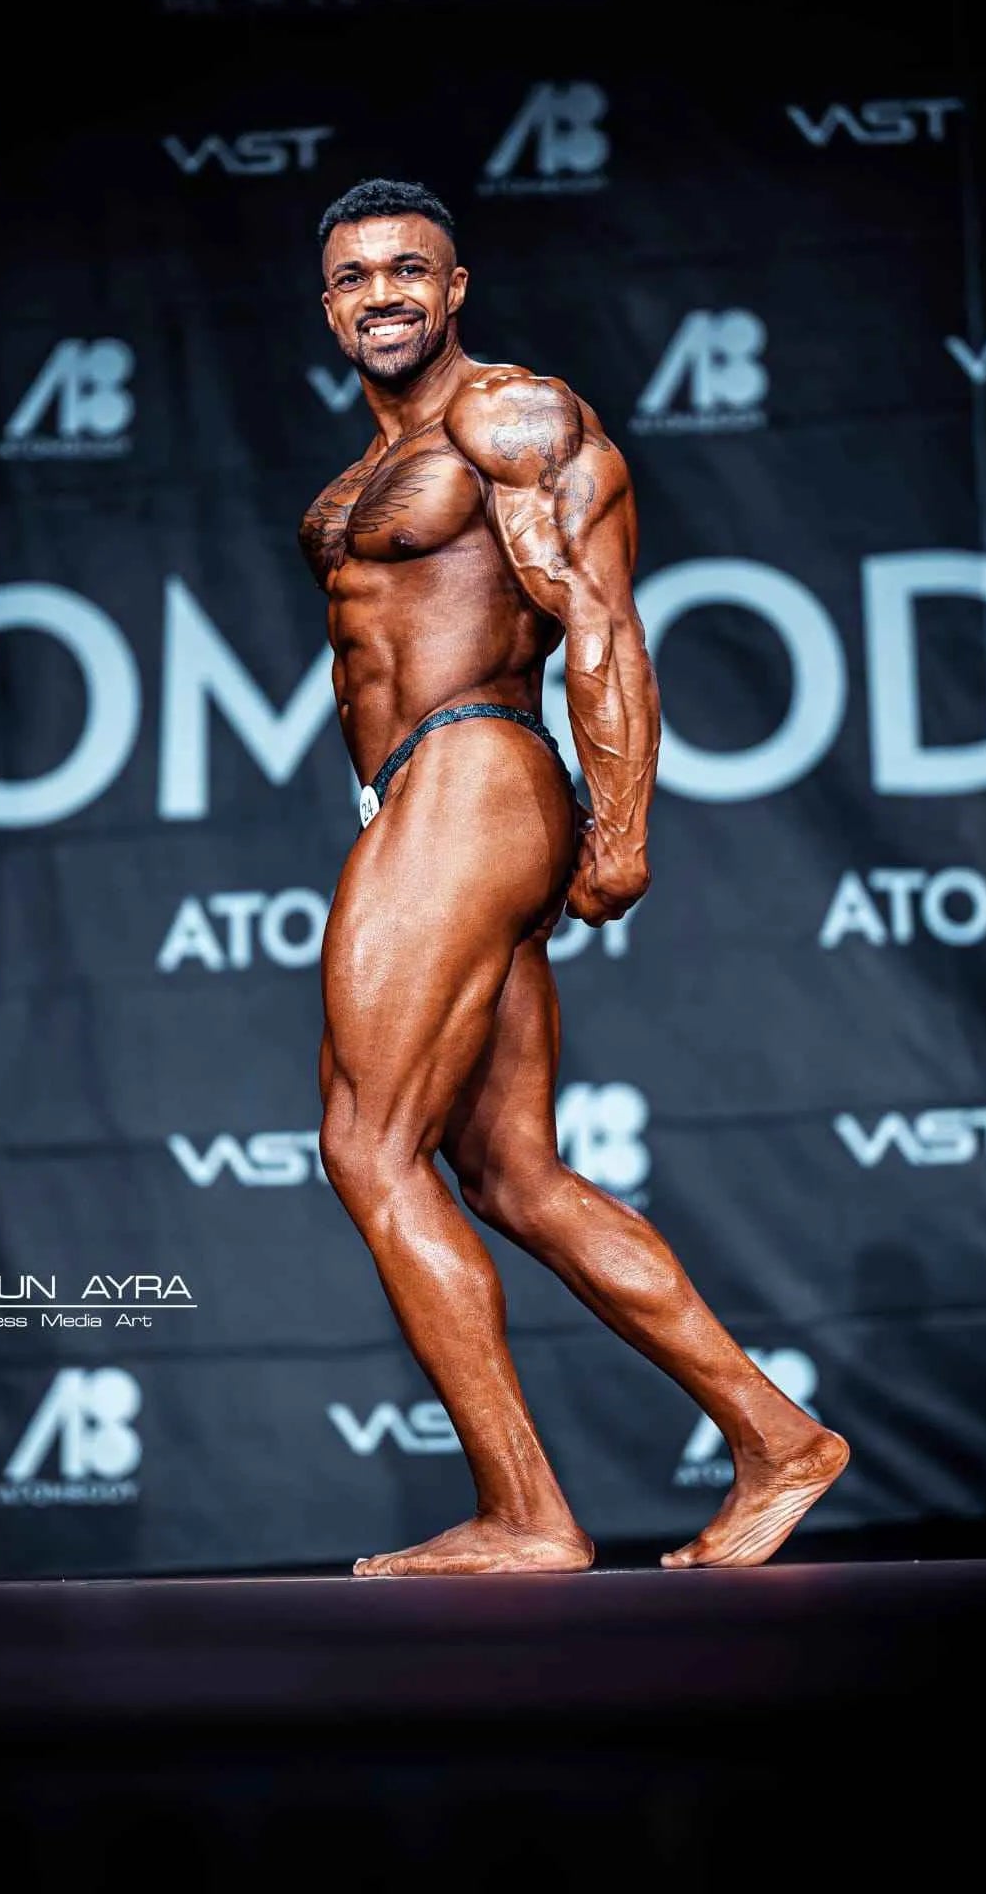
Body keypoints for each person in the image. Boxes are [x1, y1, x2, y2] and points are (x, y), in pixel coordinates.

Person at [302, 178, 848, 1577]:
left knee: (368, 1147)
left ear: (455, 288)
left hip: (473, 770)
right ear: (328, 304)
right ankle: (777, 1438)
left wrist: (622, 828)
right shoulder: (366, 469)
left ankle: (525, 1512)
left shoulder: (512, 418)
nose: (382, 294)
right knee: (512, 1172)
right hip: (422, 787)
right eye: (355, 276)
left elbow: (600, 622)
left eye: (409, 270)